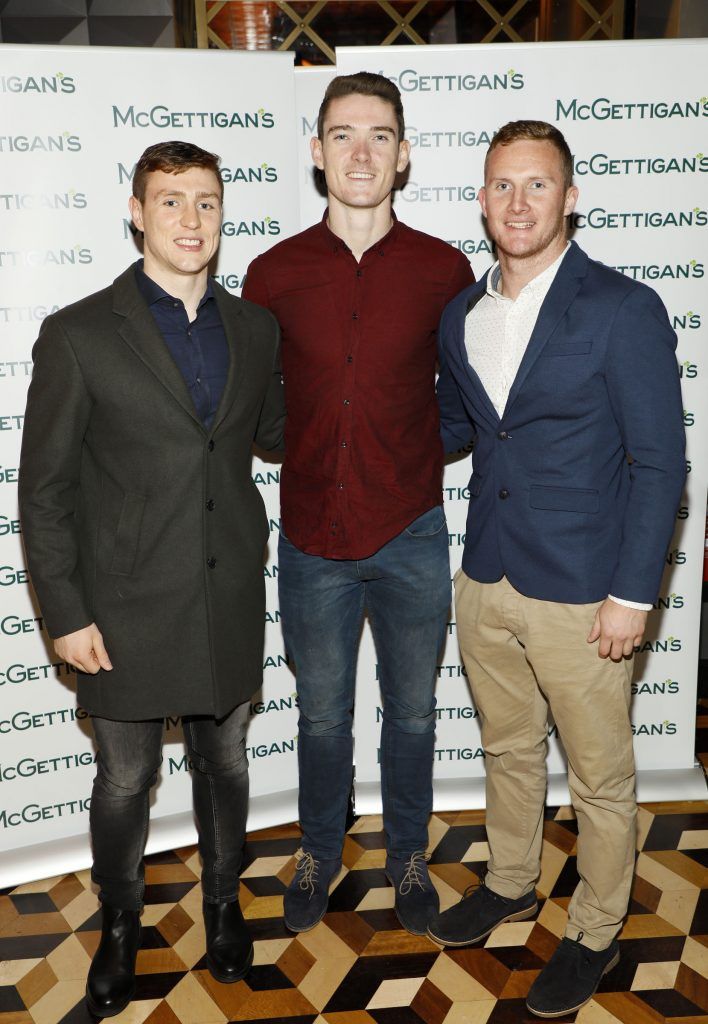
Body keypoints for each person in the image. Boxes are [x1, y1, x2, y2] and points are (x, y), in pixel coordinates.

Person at [19, 140, 284, 1017]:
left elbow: (282, 432)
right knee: (125, 782)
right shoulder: (79, 333)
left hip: (227, 595)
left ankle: (222, 906)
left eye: (206, 201)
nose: (191, 220)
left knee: (228, 761)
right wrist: (65, 612)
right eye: (171, 202)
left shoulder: (253, 327)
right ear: (137, 212)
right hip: (123, 607)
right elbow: (45, 492)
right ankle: (122, 929)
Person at [430, 120, 686, 1017]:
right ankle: (510, 879)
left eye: (537, 185)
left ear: (570, 196)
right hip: (487, 577)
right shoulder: (463, 313)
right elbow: (462, 430)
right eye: (502, 185)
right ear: (482, 198)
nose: (518, 202)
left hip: (585, 592)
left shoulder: (622, 307)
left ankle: (595, 930)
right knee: (505, 747)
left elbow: (660, 465)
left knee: (600, 776)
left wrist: (631, 596)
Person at [242, 72, 475, 936]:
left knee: (414, 712)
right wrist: (299, 448)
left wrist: (418, 450)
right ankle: (319, 849)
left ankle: (409, 853)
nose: (361, 151)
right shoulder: (273, 272)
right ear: (317, 151)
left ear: (404, 153)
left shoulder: (443, 269)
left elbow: (467, 397)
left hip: (411, 529)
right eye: (343, 134)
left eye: (379, 134)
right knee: (321, 713)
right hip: (310, 539)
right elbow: (252, 400)